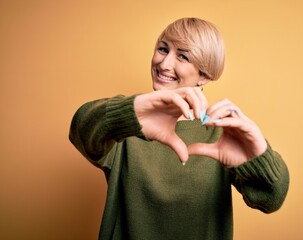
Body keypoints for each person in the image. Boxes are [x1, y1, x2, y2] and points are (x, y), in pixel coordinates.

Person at [69, 17, 289, 240]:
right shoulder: (129, 124)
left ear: (204, 75)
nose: (164, 64)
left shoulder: (222, 133)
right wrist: (130, 111)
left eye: (183, 56)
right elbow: (79, 130)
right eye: (163, 49)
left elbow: (271, 197)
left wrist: (257, 157)